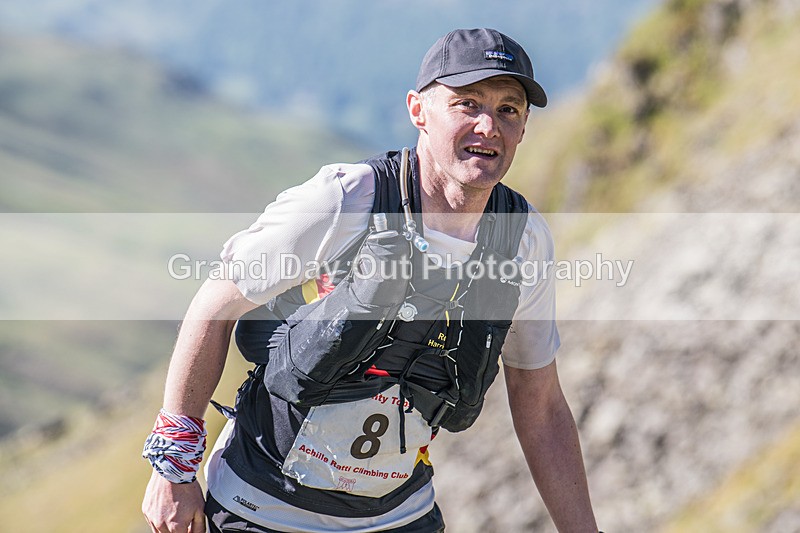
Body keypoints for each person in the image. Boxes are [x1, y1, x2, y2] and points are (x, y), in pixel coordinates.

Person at [142, 28, 599, 532]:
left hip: (401, 517)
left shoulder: (523, 240)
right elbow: (216, 302)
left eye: (508, 110)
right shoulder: (347, 198)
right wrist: (173, 468)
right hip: (260, 510)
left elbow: (542, 407)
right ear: (418, 111)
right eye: (467, 104)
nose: (488, 126)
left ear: (524, 126)